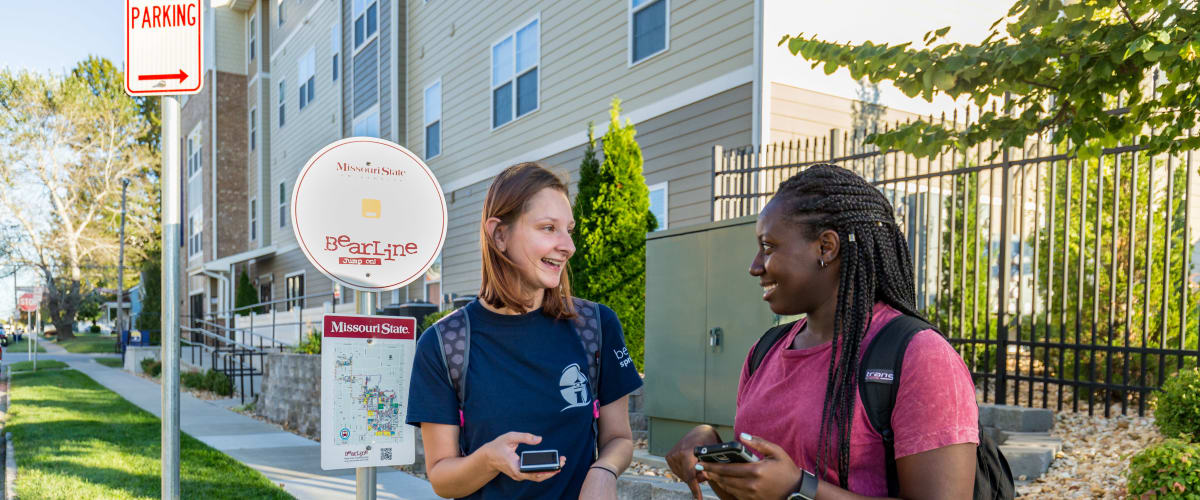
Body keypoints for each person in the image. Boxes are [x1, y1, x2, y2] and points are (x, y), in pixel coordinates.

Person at [666, 164, 979, 499]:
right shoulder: (764, 352)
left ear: (826, 248)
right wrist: (711, 454)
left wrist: (800, 489)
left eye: (768, 246)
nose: (755, 266)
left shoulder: (919, 357)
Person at [406, 162, 643, 499]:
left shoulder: (596, 326)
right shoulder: (445, 344)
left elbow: (618, 438)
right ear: (499, 235)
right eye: (548, 228)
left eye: (569, 230)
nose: (568, 246)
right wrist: (488, 460)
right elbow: (442, 477)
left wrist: (604, 471)